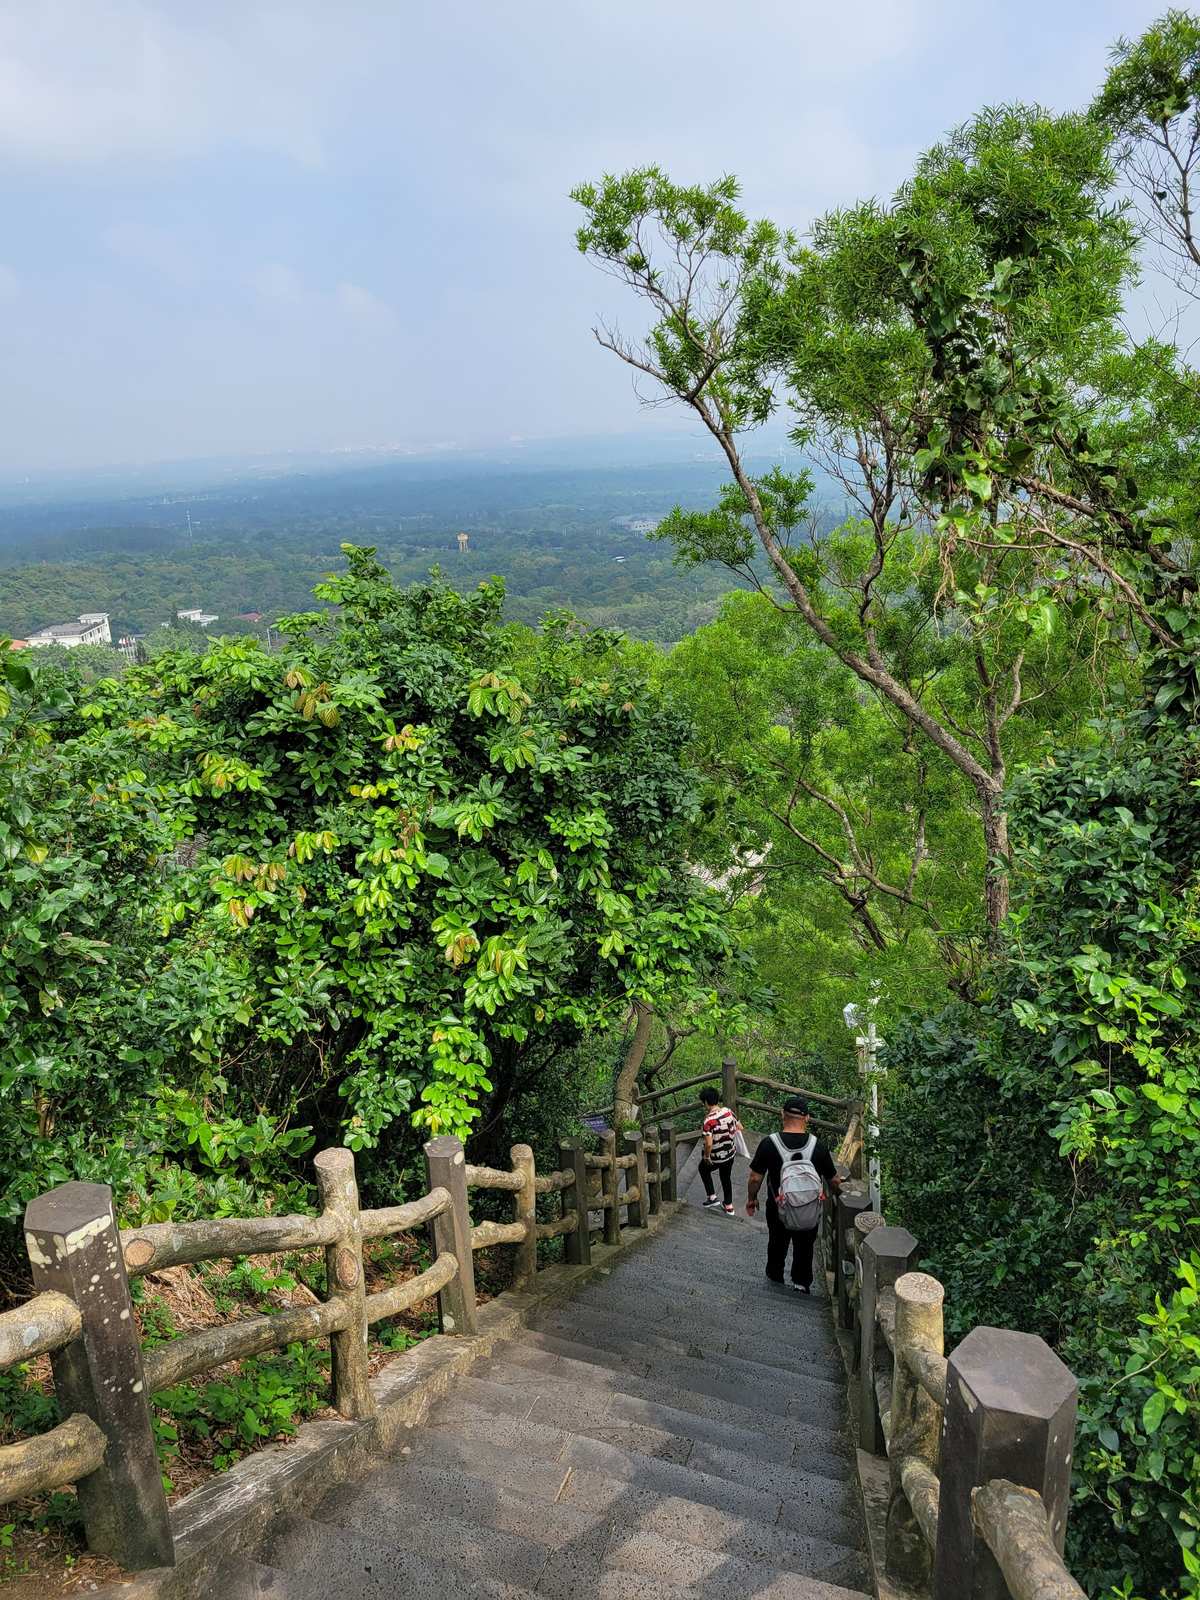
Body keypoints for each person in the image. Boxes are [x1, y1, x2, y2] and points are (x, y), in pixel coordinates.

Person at [745, 1095, 841, 1293]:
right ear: (807, 1118)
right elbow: (834, 1180)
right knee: (805, 1247)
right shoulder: (818, 1146)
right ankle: (801, 1283)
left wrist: (751, 1199)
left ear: (782, 1114)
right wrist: (839, 1192)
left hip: (778, 1205)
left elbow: (755, 1178)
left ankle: (775, 1280)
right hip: (808, 1208)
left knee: (777, 1242)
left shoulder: (769, 1143)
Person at [698, 1086, 740, 1215]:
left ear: (705, 1102)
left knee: (703, 1169)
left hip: (717, 1157)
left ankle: (712, 1197)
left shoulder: (708, 1121)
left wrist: (706, 1157)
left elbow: (709, 1144)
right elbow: (740, 1126)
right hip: (730, 1153)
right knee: (725, 1177)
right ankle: (729, 1206)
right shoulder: (728, 1111)